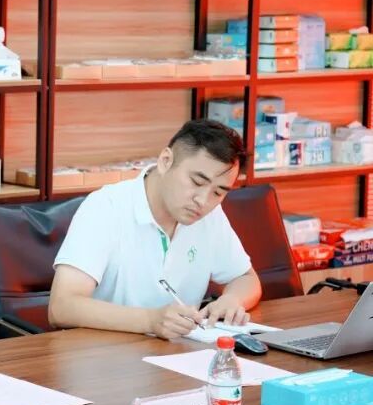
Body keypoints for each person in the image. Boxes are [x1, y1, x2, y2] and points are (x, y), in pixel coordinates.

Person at [48, 119, 262, 340]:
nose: (203, 200)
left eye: (218, 192)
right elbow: (62, 307)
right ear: (166, 161)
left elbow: (246, 278)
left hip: (180, 353)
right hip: (107, 353)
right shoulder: (106, 206)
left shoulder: (210, 215)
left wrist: (231, 300)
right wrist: (150, 321)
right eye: (197, 182)